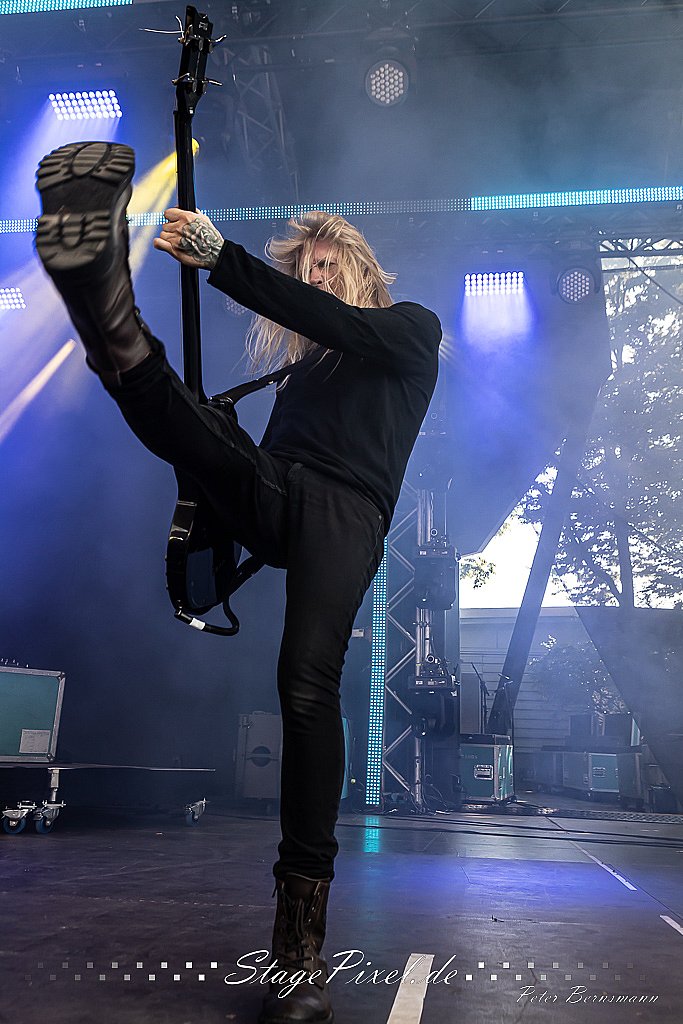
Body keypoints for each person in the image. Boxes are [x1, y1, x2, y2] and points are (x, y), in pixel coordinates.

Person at [35, 140, 441, 1024]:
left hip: (346, 516)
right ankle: (112, 325)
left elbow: (336, 323)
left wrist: (225, 261)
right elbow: (249, 449)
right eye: (309, 269)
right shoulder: (300, 372)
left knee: (305, 684)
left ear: (362, 270)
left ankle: (298, 946)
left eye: (328, 266)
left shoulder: (410, 329)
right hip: (279, 491)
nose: (318, 279)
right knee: (194, 428)